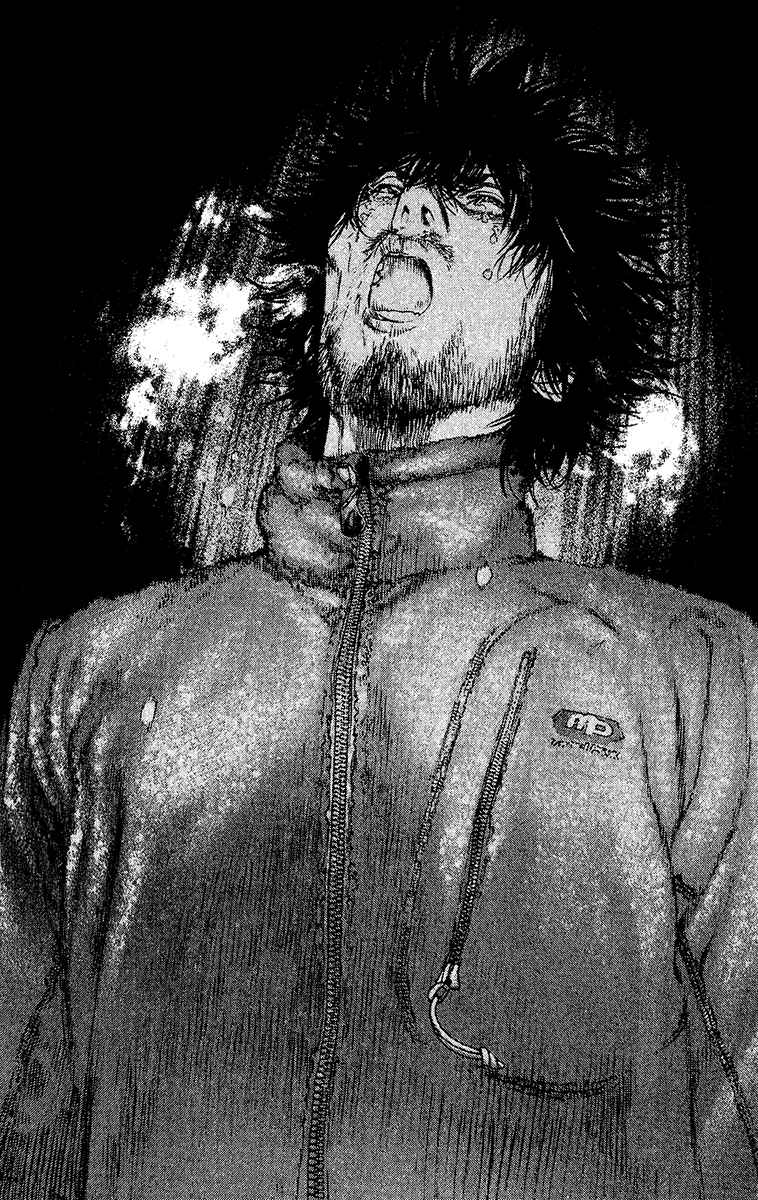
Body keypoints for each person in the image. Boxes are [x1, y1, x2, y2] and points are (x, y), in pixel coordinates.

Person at [1, 44, 756, 1200]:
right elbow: (22, 1104)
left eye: (475, 205)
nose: (403, 210)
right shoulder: (89, 670)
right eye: (379, 198)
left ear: (555, 362)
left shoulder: (695, 677)